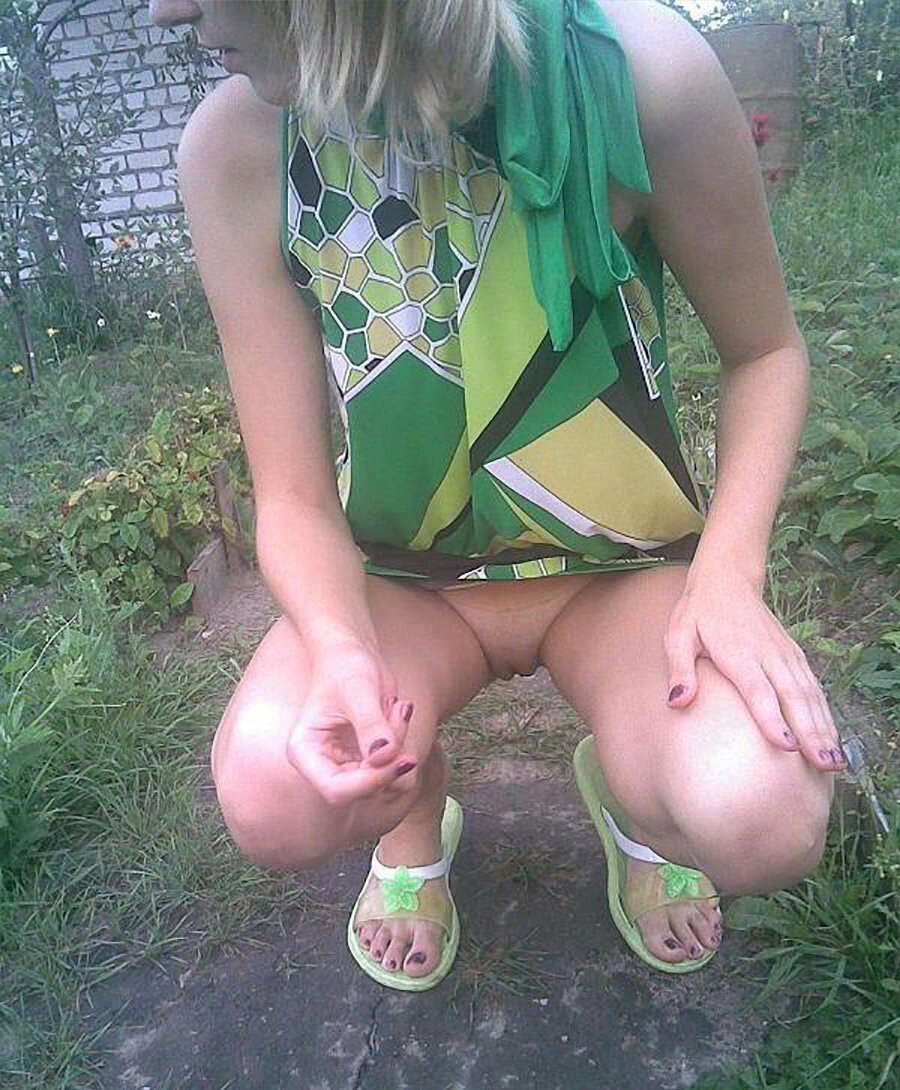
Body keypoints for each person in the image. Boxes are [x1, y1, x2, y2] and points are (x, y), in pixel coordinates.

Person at [148, 0, 840, 990]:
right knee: (272, 794)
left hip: (619, 575)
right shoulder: (243, 146)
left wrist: (728, 580)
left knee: (762, 814)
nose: (169, 9)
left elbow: (766, 353)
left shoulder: (636, 76)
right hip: (405, 586)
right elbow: (291, 497)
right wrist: (341, 651)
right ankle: (413, 811)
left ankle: (638, 796)